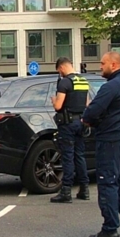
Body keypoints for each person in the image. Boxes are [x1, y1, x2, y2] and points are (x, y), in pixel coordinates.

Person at [81, 51, 120, 237]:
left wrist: (88, 119)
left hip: (111, 139)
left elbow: (93, 111)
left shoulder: (111, 86)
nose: (100, 67)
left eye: (102, 63)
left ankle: (110, 228)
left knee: (108, 182)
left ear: (114, 65)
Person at [49, 57, 90, 203]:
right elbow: (87, 103)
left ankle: (66, 191)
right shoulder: (83, 81)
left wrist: (53, 100)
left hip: (67, 123)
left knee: (67, 156)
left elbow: (58, 106)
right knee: (79, 155)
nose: (59, 73)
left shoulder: (65, 82)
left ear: (61, 67)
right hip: (80, 122)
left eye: (58, 71)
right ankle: (84, 189)